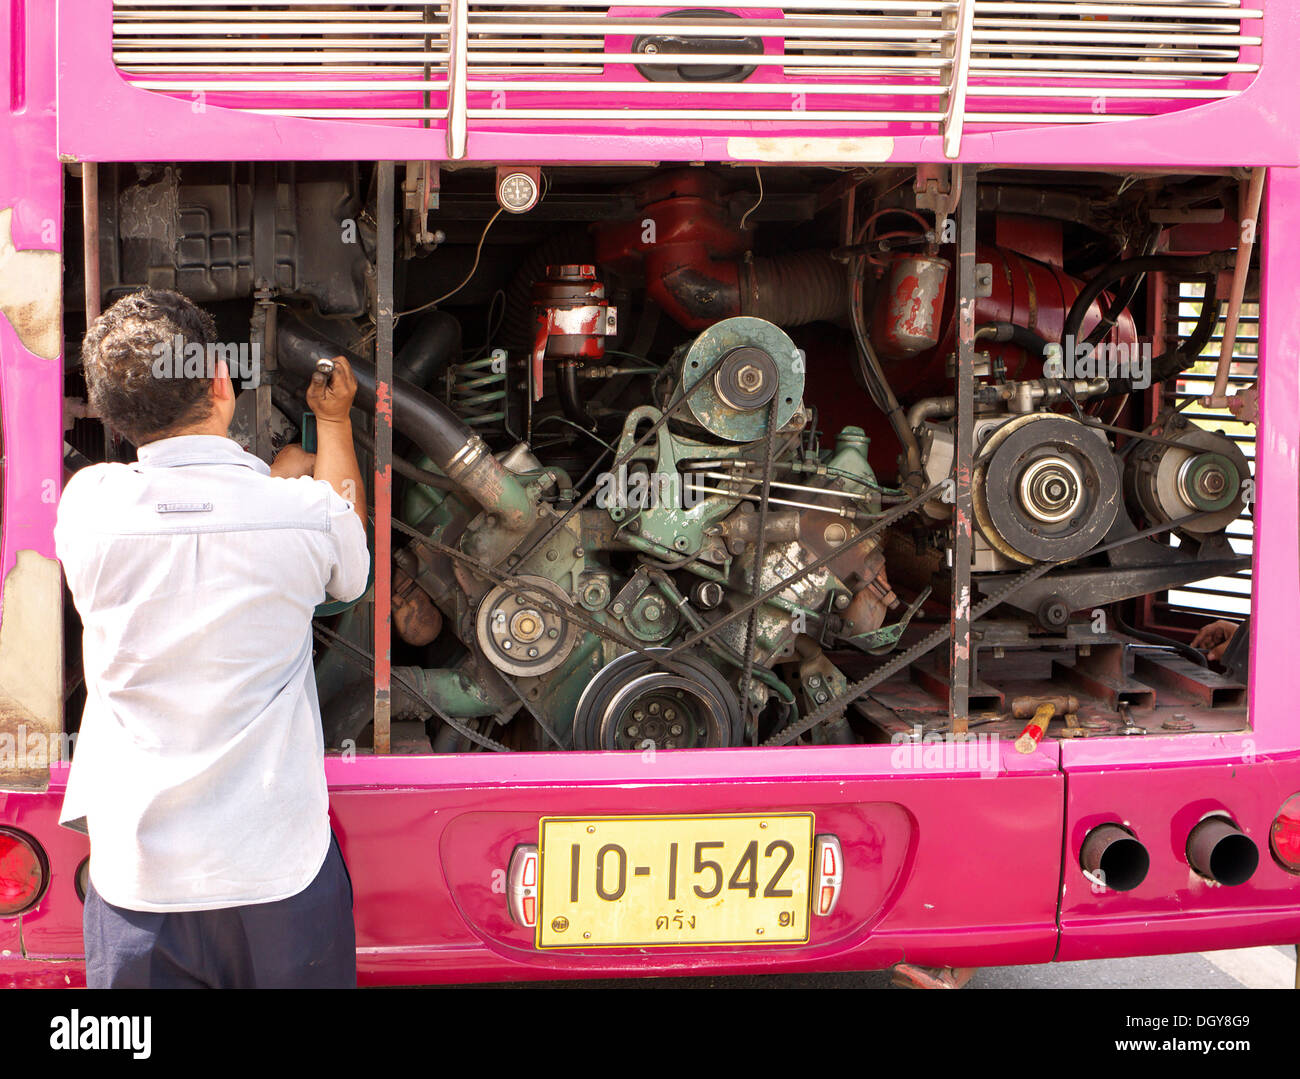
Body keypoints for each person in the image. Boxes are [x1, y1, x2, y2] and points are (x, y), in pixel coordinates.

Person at [55, 288, 370, 988]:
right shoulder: (305, 514)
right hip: (280, 876)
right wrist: (332, 425)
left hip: (139, 887)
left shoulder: (87, 509)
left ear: (111, 415)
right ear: (221, 383)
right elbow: (351, 570)